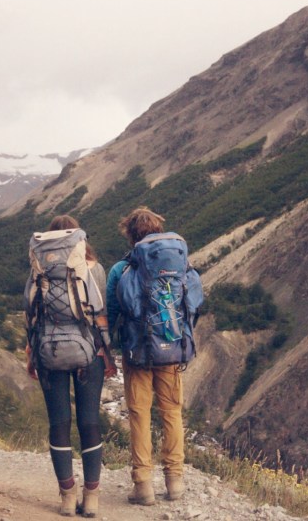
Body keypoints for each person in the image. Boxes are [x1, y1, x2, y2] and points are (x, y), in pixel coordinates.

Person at [26, 214, 116, 518]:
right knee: (89, 423)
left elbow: (31, 315)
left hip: (48, 353)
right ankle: (91, 498)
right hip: (88, 353)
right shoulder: (95, 269)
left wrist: (31, 355)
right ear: (80, 240)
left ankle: (67, 496)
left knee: (59, 423)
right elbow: (102, 313)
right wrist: (108, 355)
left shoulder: (38, 268)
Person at [106, 207, 187, 505]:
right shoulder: (179, 264)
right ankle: (175, 483)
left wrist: (108, 349)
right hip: (172, 348)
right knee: (171, 413)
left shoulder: (121, 269)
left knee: (140, 415)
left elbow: (111, 314)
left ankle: (143, 486)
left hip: (136, 351)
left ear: (130, 234)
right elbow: (192, 303)